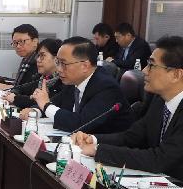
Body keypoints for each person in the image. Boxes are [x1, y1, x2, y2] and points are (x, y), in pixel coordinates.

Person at [72, 36, 183, 180]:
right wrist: (92, 139)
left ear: (176, 74)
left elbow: (159, 159)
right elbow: (130, 137)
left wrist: (98, 150)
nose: (144, 71)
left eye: (151, 65)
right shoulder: (159, 101)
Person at [31, 37, 133, 133]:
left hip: (107, 147)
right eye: (58, 62)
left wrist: (46, 105)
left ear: (84, 66)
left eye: (64, 64)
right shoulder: (73, 81)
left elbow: (80, 124)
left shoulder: (106, 87)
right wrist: (35, 111)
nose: (59, 69)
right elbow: (56, 103)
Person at [4, 38, 63, 110]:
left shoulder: (63, 82)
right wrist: (13, 94)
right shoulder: (42, 78)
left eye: (42, 56)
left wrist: (16, 99)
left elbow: (45, 105)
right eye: (38, 56)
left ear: (56, 58)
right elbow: (19, 88)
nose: (38, 60)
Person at [0, 24, 39, 94]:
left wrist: (9, 88)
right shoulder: (27, 59)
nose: (18, 46)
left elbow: (32, 90)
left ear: (35, 41)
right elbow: (19, 83)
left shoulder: (39, 61)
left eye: (22, 42)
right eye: (15, 43)